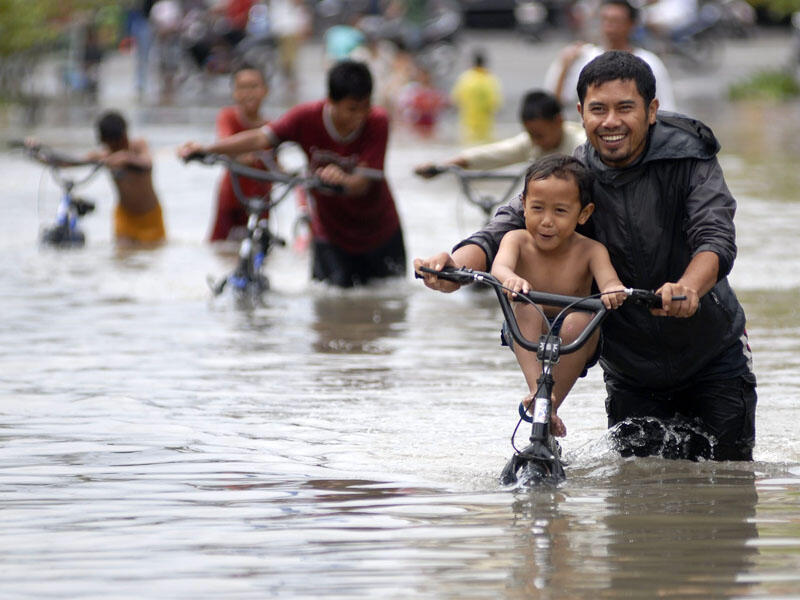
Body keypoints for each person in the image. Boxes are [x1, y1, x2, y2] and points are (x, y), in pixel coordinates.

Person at [415, 50, 756, 461]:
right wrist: (455, 267)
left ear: (651, 111)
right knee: (638, 498)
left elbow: (715, 236)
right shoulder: (573, 176)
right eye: (598, 109)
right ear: (580, 113)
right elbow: (504, 226)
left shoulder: (691, 158)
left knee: (732, 489)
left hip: (712, 355)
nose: (610, 122)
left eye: (624, 108)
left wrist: (689, 287)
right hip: (630, 370)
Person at [178, 59, 406, 288]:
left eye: (366, 106)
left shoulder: (377, 121)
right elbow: (260, 138)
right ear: (331, 101)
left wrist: (344, 180)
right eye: (352, 109)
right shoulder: (305, 117)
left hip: (379, 232)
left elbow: (363, 182)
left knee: (389, 299)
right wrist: (206, 148)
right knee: (329, 307)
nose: (360, 116)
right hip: (330, 234)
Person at [491, 154, 626, 436]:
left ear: (584, 214)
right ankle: (537, 393)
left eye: (560, 211)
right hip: (525, 326)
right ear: (524, 206)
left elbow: (609, 281)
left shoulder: (591, 250)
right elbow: (499, 267)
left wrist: (613, 290)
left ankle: (549, 408)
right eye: (537, 208)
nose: (547, 222)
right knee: (528, 305)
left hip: (577, 335)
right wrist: (511, 278)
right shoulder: (515, 239)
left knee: (578, 319)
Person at [544, 0, 676, 115]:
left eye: (616, 21)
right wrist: (564, 67)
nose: (609, 27)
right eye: (605, 20)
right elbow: (552, 106)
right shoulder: (580, 57)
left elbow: (666, 110)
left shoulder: (649, 63)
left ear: (632, 24)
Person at [414, 90, 585, 175]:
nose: (535, 141)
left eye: (539, 135)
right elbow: (491, 154)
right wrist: (441, 167)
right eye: (531, 135)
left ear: (558, 121)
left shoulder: (582, 144)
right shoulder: (530, 144)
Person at [209, 64, 272, 242]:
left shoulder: (271, 128)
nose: (248, 93)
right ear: (234, 93)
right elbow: (225, 141)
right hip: (232, 198)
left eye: (253, 87)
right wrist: (240, 157)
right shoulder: (228, 117)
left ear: (265, 90)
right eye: (243, 88)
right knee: (220, 248)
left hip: (262, 200)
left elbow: (276, 162)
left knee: (262, 246)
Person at [88, 110, 167, 246]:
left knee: (154, 254)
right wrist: (42, 154)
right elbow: (71, 162)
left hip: (150, 216)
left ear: (124, 136)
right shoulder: (104, 157)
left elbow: (147, 163)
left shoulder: (138, 146)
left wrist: (126, 158)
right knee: (122, 258)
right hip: (124, 217)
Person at [450, 50, 502, 144]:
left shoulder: (465, 78)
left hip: (467, 122)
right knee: (485, 147)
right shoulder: (490, 79)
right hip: (486, 123)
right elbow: (495, 103)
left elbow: (455, 100)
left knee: (468, 147)